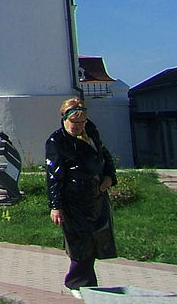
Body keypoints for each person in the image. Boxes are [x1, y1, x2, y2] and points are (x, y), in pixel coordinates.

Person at [46, 97, 117, 294]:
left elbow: (105, 156)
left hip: (95, 196)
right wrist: (55, 205)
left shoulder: (91, 134)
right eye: (74, 122)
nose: (78, 126)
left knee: (96, 238)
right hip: (73, 198)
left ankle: (87, 281)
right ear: (64, 119)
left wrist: (109, 177)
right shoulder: (57, 141)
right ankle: (75, 281)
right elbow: (54, 175)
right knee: (79, 241)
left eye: (81, 122)